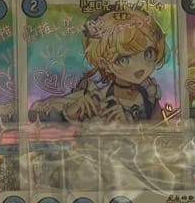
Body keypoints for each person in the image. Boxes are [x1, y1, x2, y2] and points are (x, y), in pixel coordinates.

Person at [27, 8, 168, 124]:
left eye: (148, 54)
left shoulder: (149, 94)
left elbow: (161, 133)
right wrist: (68, 112)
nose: (139, 66)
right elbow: (36, 112)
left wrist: (128, 126)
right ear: (104, 64)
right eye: (123, 60)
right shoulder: (97, 96)